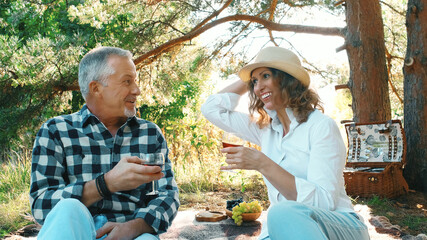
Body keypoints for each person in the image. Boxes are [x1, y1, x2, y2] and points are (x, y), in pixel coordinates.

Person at [201, 46, 370, 240]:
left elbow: (323, 204)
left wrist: (263, 163)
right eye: (254, 82)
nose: (258, 87)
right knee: (279, 216)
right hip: (287, 229)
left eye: (266, 76)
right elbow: (211, 109)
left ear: (287, 79)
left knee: (281, 212)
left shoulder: (321, 127)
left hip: (338, 225)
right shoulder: (265, 130)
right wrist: (249, 77)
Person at [30, 46, 180, 240]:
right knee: (68, 208)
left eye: (135, 81)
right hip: (75, 232)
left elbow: (167, 195)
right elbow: (41, 206)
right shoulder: (55, 131)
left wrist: (135, 227)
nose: (137, 90)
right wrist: (105, 184)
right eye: (127, 81)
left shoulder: (150, 133)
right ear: (96, 88)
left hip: (131, 233)